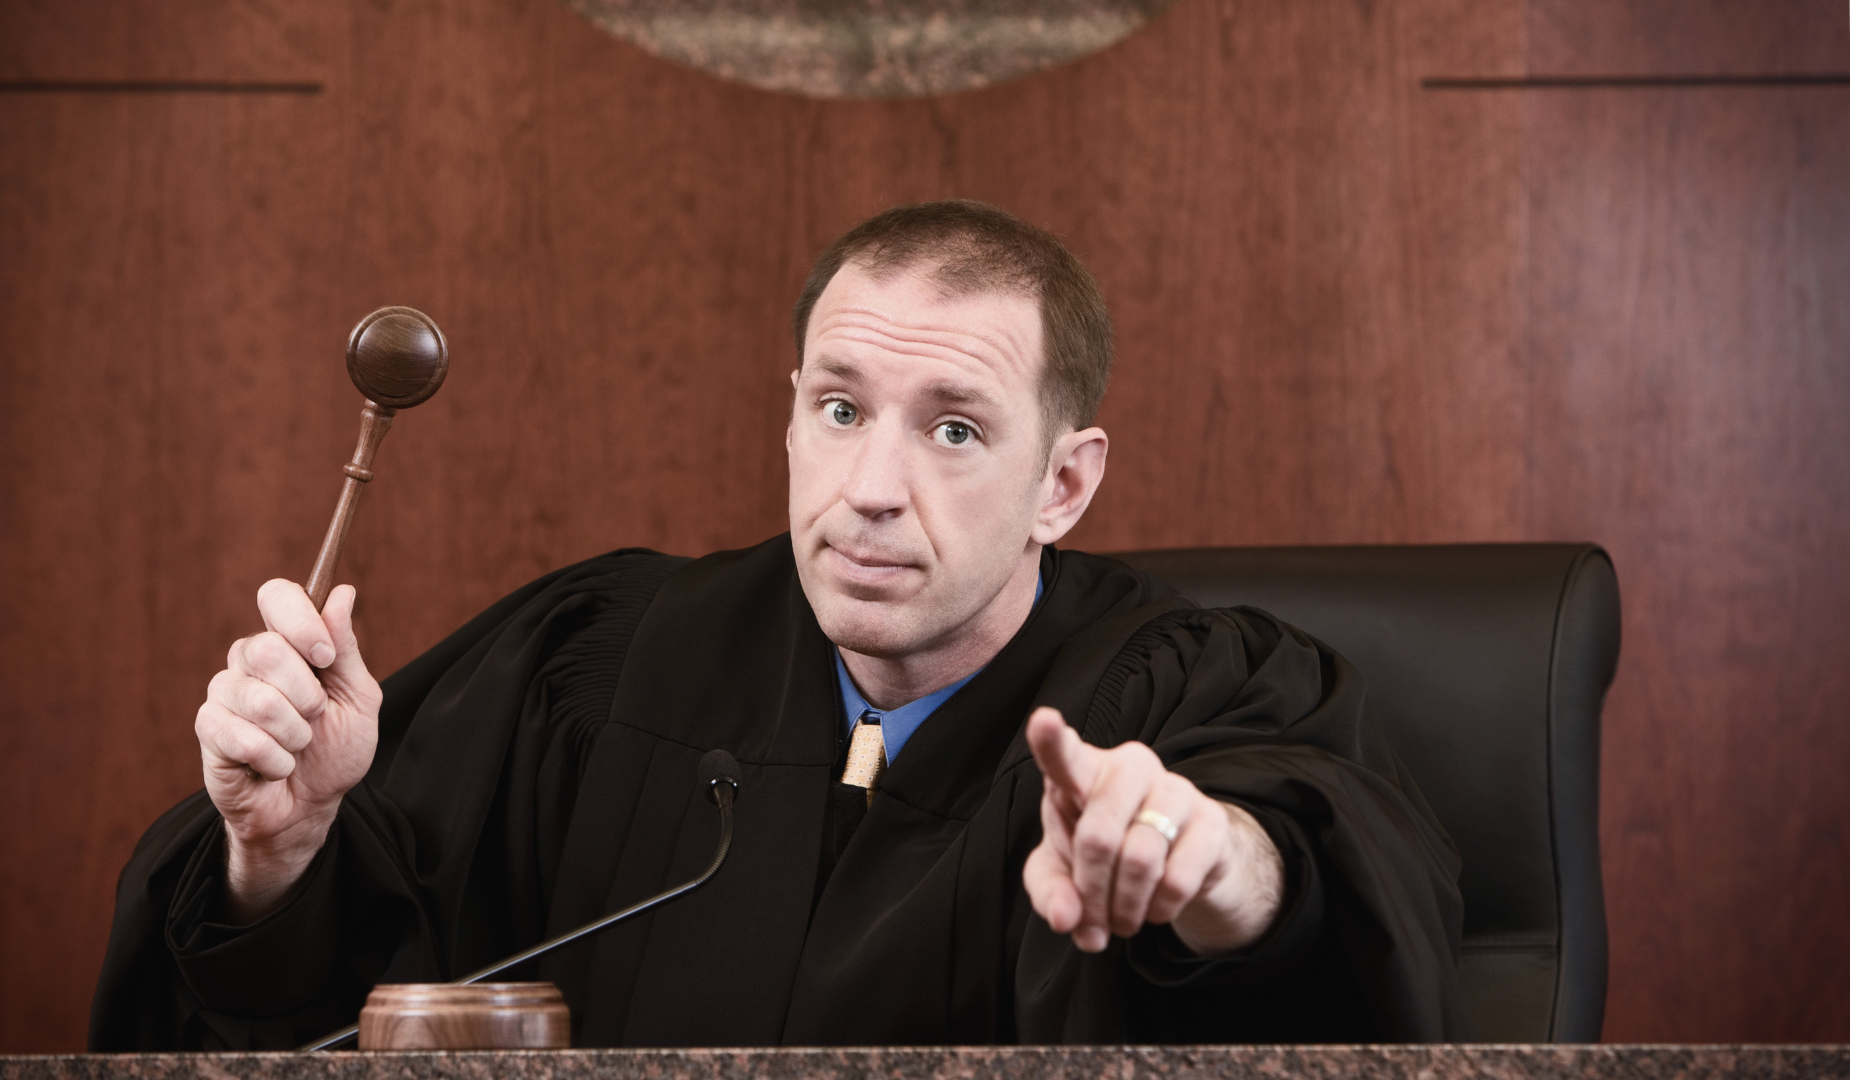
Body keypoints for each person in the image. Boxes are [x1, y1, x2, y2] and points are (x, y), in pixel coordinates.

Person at [90, 200, 1469, 1050]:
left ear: (1065, 480)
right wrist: (283, 847)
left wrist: (1215, 874)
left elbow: (1317, 888)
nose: (873, 489)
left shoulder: (1174, 693)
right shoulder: (609, 661)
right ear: (791, 411)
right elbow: (307, 999)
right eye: (842, 408)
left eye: (954, 428)